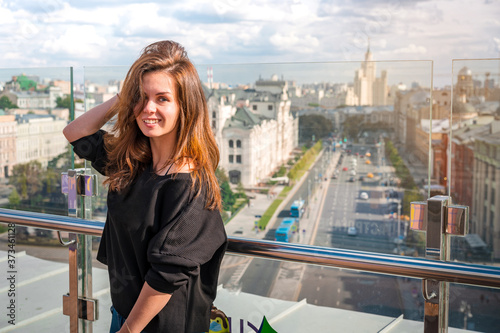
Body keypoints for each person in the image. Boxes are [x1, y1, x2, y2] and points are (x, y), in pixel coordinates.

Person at [63, 40, 227, 333]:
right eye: (142, 97)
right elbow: (75, 132)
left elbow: (167, 276)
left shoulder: (189, 186)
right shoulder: (132, 163)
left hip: (162, 326)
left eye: (162, 99)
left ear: (184, 107)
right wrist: (125, 95)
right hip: (124, 315)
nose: (148, 109)